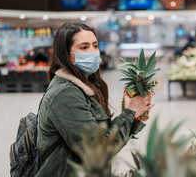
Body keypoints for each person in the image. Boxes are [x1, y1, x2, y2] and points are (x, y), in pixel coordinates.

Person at [36, 23, 154, 177]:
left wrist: (134, 115)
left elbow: (102, 135)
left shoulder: (86, 87)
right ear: (66, 54)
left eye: (95, 45)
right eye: (84, 47)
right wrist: (130, 113)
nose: (93, 52)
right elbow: (99, 151)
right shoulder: (65, 94)